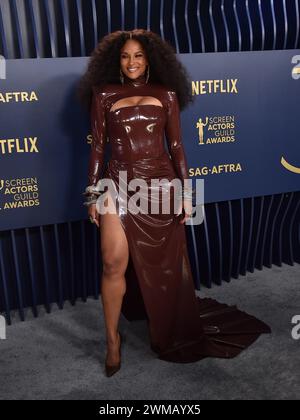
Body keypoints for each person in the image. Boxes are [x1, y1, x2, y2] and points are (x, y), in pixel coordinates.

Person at [78, 29, 271, 377]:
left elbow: (178, 148)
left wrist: (186, 194)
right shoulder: (103, 94)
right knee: (111, 263)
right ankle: (111, 341)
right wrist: (92, 194)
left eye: (138, 55)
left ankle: (166, 326)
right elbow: (97, 148)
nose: (132, 62)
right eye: (124, 56)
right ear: (115, 61)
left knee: (166, 266)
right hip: (117, 184)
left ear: (149, 58)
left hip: (160, 185)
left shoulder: (166, 94)